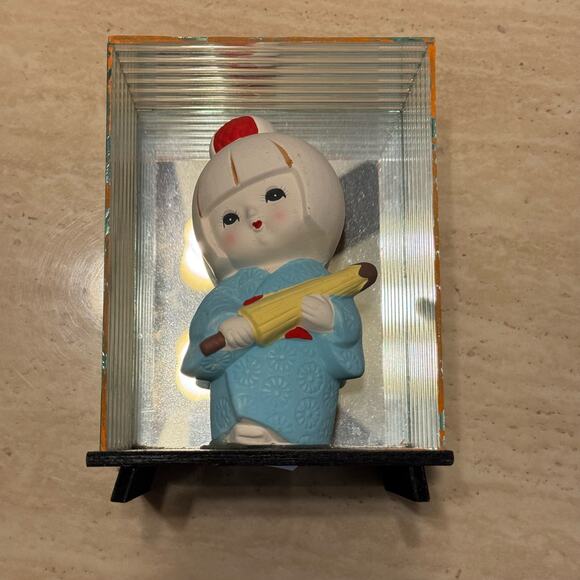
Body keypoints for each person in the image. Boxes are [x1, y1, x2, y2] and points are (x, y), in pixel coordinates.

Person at [181, 116, 364, 445]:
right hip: (234, 403)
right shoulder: (229, 291)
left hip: (301, 393)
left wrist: (329, 321)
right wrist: (226, 329)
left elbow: (347, 336)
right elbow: (202, 343)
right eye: (230, 217)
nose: (253, 217)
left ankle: (294, 435)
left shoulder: (317, 280)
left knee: (300, 421)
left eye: (274, 194)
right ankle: (233, 433)